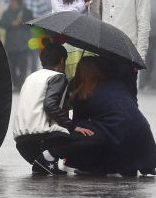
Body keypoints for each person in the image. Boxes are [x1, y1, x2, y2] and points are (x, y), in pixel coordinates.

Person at [38, 56, 156, 177]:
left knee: (84, 130)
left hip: (119, 130)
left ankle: (86, 164)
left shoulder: (84, 92)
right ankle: (139, 167)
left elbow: (78, 123)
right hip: (142, 132)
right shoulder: (116, 82)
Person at [12, 42, 97, 175]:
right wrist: (72, 127)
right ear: (62, 60)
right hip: (41, 139)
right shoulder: (58, 77)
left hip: (22, 143)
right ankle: (47, 158)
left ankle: (44, 163)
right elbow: (50, 105)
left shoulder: (31, 77)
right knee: (90, 140)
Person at [89, 0, 151, 97]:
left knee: (127, 97)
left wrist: (140, 55)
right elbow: (95, 18)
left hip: (127, 54)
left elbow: (143, 23)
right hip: (104, 51)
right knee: (104, 97)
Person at [50, 0, 95, 79]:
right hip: (62, 44)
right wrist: (83, 6)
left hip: (84, 45)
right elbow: (60, 15)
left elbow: (95, 18)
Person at [0, 0, 35, 90]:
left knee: (23, 66)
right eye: (11, 1)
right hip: (11, 44)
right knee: (12, 66)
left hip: (24, 44)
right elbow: (1, 23)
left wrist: (22, 22)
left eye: (13, 1)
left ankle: (21, 83)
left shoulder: (26, 12)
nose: (12, 3)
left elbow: (32, 24)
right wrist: (12, 24)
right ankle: (16, 83)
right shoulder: (7, 12)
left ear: (18, 2)